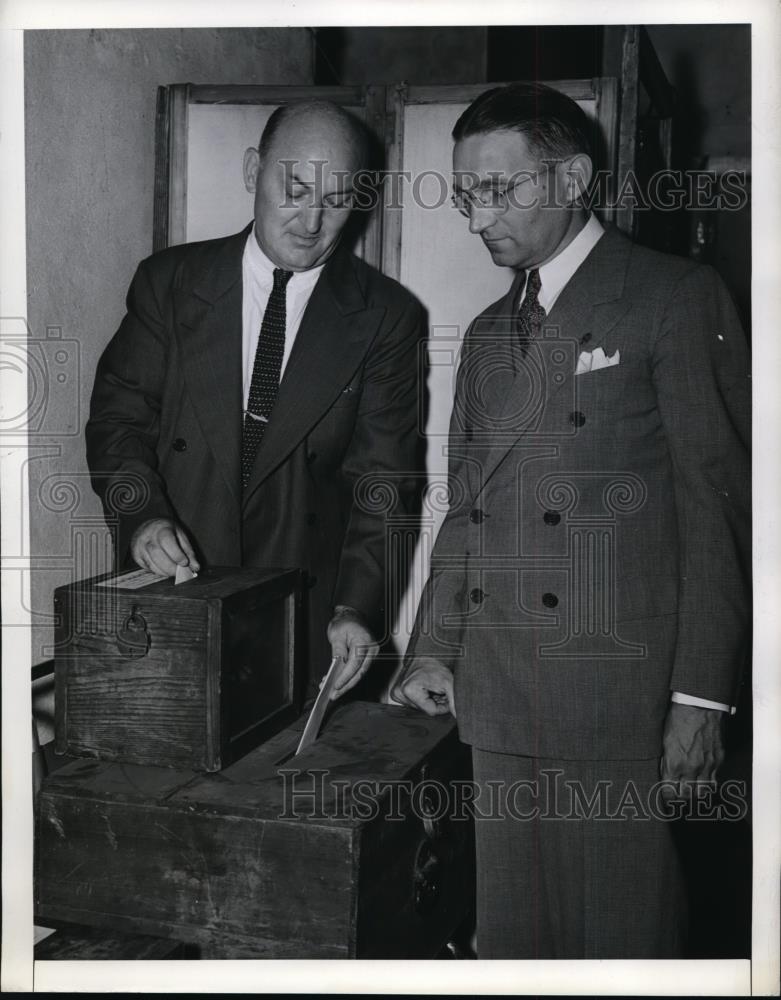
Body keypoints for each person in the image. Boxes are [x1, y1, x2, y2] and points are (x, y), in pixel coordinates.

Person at [393, 82, 751, 958]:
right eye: (465, 193)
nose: (477, 216)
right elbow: (465, 515)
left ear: (573, 178)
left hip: (619, 698)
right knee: (515, 942)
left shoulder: (673, 295)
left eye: (498, 190)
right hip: (499, 695)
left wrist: (699, 699)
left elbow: (719, 512)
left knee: (622, 941)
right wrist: (434, 646)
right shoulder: (482, 335)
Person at [86, 100, 425, 697]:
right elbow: (118, 423)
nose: (311, 221)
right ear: (252, 171)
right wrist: (141, 517)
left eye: (338, 199)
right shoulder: (169, 283)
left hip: (305, 616)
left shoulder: (386, 317)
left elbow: (384, 482)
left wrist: (356, 608)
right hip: (176, 596)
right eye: (294, 188)